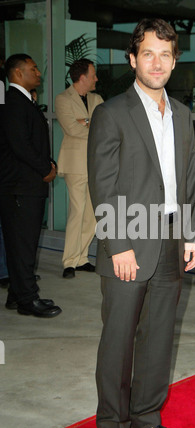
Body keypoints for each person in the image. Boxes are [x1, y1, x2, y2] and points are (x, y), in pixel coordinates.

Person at [88, 19, 195, 428]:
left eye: (166, 54)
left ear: (175, 61)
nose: (157, 63)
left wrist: (192, 235)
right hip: (130, 240)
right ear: (133, 59)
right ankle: (114, 427)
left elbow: (190, 178)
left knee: (158, 337)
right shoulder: (112, 112)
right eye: (149, 54)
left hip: (173, 240)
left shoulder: (183, 115)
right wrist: (119, 244)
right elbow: (103, 183)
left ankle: (147, 416)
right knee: (118, 340)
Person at [0, 54, 62, 318]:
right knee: (23, 244)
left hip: (25, 185)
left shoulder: (23, 102)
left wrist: (47, 163)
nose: (39, 73)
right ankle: (27, 299)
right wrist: (45, 168)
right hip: (20, 186)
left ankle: (17, 293)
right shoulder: (14, 103)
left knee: (21, 243)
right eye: (33, 69)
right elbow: (21, 145)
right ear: (17, 73)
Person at [55, 59, 103, 279]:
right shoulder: (63, 99)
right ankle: (69, 261)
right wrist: (90, 123)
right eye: (93, 75)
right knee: (77, 212)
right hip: (75, 164)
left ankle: (82, 258)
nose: (96, 79)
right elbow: (72, 128)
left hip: (95, 164)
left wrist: (86, 121)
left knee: (92, 215)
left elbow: (104, 127)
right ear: (82, 77)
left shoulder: (97, 99)